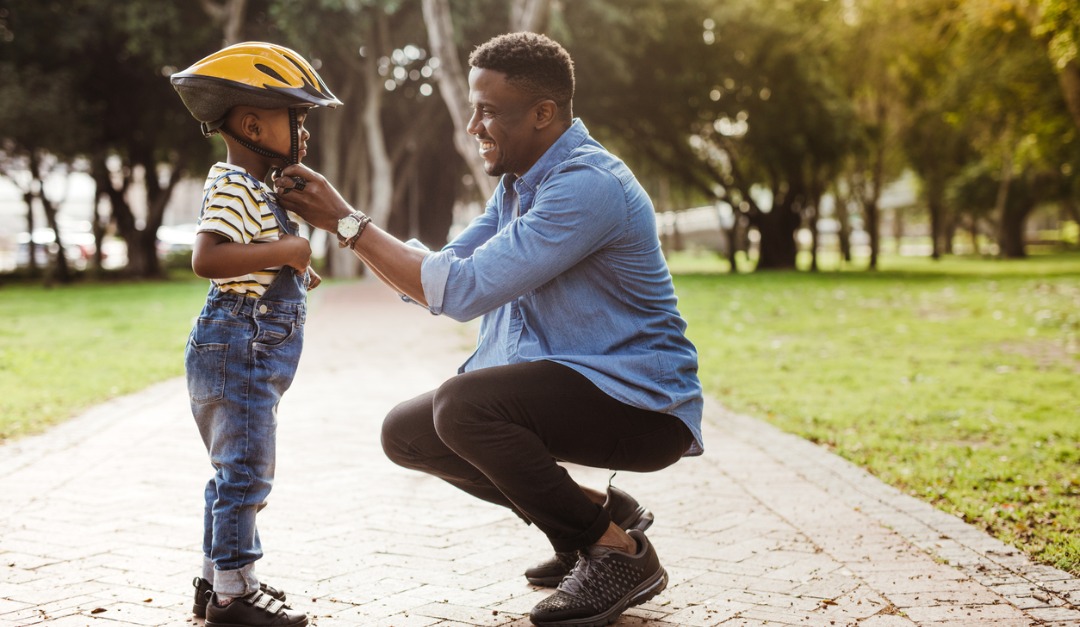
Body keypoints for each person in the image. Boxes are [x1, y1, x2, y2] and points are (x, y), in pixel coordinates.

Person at [275, 32, 704, 627]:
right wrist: (345, 226)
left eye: (488, 111)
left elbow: (462, 291)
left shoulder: (587, 185)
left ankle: (616, 552)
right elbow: (440, 271)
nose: (473, 126)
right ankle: (599, 515)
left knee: (463, 408)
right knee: (407, 433)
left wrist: (347, 222)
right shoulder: (516, 188)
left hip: (641, 405)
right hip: (580, 388)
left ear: (543, 113)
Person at [170, 41, 341, 627]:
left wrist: (293, 264)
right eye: (298, 119)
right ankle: (234, 596)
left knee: (233, 474)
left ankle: (214, 581)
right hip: (238, 343)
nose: (305, 133)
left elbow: (253, 259)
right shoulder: (233, 184)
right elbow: (208, 259)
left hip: (244, 346)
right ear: (251, 125)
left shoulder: (256, 187)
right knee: (245, 475)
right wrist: (290, 249)